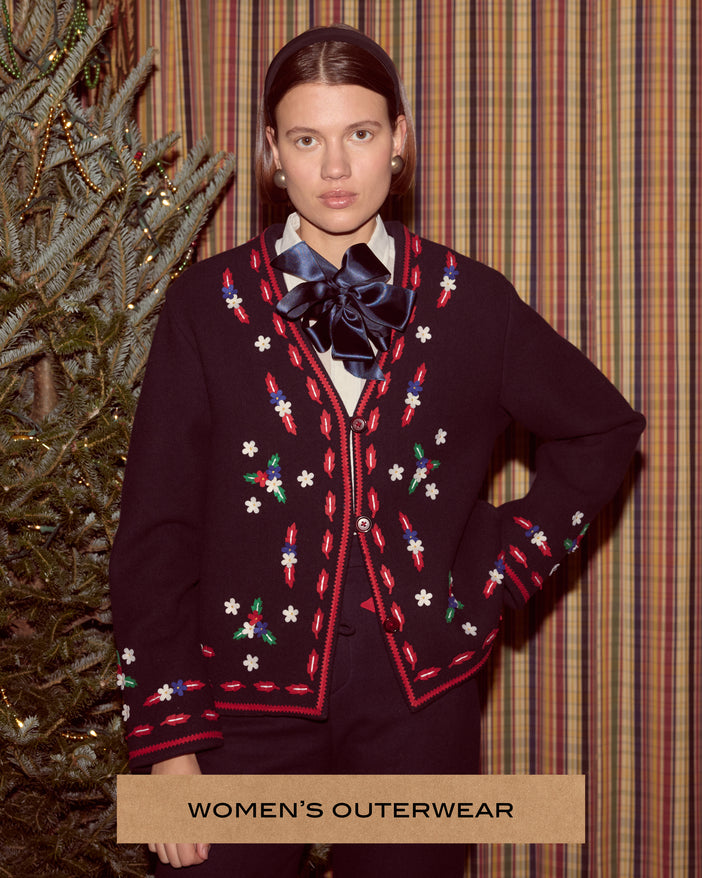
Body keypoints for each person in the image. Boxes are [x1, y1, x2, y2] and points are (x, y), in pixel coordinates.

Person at [109, 24, 645, 877]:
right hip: (239, 711)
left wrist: (501, 566)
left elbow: (604, 427)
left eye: (359, 135)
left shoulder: (472, 303)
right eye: (306, 139)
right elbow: (156, 532)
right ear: (271, 156)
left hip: (419, 704)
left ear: (399, 141)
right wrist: (169, 741)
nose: (334, 169)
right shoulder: (205, 310)